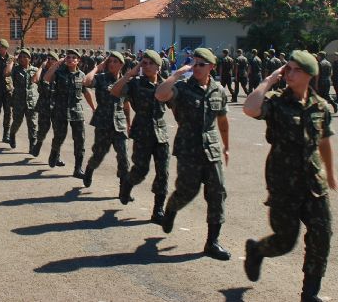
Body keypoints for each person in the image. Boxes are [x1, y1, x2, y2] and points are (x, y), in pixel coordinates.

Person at [243, 50, 337, 302]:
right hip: (284, 183)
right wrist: (269, 80)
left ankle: (309, 294)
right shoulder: (276, 101)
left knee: (322, 236)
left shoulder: (321, 106)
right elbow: (250, 109)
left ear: (309, 75)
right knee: (285, 241)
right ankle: (257, 250)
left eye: (295, 70)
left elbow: (324, 140)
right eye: (288, 69)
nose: (289, 73)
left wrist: (330, 173)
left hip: (314, 182)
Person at [155, 47, 231, 260]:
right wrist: (178, 73)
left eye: (201, 64)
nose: (196, 67)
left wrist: (226, 146)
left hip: (212, 147)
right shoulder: (182, 87)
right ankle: (171, 209)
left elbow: (223, 121)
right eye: (194, 63)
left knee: (217, 192)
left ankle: (212, 242)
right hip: (189, 148)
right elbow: (160, 94)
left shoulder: (219, 90)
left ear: (211, 67)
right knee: (187, 191)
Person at [113, 50, 170, 225]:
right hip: (142, 132)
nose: (145, 66)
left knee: (163, 173)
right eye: (143, 63)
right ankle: (127, 187)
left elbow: (176, 105)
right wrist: (129, 74)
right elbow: (115, 92)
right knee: (140, 170)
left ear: (158, 67)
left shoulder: (165, 84)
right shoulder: (135, 83)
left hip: (160, 133)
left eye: (149, 63)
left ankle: (158, 210)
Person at [82, 51, 131, 192]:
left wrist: (128, 123)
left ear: (121, 64)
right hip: (103, 123)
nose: (112, 64)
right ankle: (90, 169)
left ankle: (123, 189)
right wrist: (98, 67)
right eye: (110, 61)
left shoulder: (125, 82)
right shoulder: (101, 78)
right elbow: (86, 81)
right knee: (99, 154)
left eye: (116, 61)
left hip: (119, 124)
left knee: (123, 156)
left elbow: (126, 104)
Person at [44, 48, 94, 178]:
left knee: (80, 140)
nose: (70, 59)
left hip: (76, 111)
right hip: (60, 110)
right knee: (59, 137)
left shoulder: (82, 75)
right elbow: (47, 78)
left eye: (73, 57)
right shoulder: (60, 72)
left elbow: (86, 92)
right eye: (68, 57)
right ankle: (54, 152)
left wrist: (94, 108)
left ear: (78, 61)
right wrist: (57, 64)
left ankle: (77, 169)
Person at [5, 49, 41, 150]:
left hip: (31, 101)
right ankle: (12, 135)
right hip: (18, 101)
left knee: (32, 124)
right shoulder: (16, 69)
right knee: (17, 121)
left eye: (24, 56)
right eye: (20, 57)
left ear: (29, 59)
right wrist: (13, 60)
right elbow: (6, 73)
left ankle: (32, 145)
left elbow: (39, 82)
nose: (21, 59)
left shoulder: (35, 69)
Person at [30, 51, 57, 158]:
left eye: (52, 59)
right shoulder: (42, 71)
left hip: (56, 106)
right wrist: (41, 66)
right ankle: (38, 145)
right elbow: (35, 79)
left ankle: (56, 155)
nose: (49, 61)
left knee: (58, 132)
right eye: (48, 59)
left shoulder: (60, 72)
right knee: (42, 129)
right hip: (44, 104)